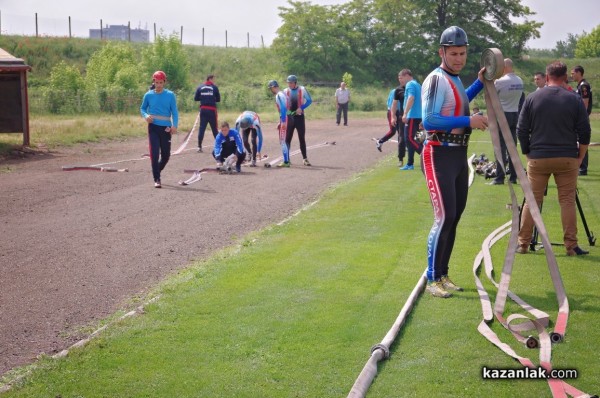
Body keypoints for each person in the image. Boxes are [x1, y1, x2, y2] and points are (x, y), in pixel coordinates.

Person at [421, 26, 488, 298]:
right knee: (444, 216)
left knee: (455, 217)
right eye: (453, 53)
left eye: (462, 53)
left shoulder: (455, 79)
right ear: (442, 52)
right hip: (439, 153)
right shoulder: (436, 79)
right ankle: (432, 278)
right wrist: (468, 121)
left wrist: (480, 83)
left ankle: (443, 273)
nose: (459, 58)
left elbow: (460, 102)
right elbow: (430, 120)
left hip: (458, 155)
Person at [516, 61, 591, 256]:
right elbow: (585, 132)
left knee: (532, 200)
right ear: (565, 77)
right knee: (567, 201)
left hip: (538, 157)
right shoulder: (574, 99)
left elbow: (521, 129)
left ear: (547, 77)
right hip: (566, 157)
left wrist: (527, 153)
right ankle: (571, 245)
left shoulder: (532, 98)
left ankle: (523, 243)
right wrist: (580, 156)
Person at [140, 71, 179, 188]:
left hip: (166, 128)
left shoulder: (170, 95)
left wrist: (175, 125)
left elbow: (175, 112)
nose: (158, 85)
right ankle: (157, 178)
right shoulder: (148, 95)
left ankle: (156, 169)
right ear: (153, 82)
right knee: (155, 153)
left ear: (164, 82)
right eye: (156, 82)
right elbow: (142, 109)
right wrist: (146, 116)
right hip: (153, 127)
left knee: (166, 156)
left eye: (161, 83)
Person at [488, 58, 524, 185]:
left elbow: (491, 93)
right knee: (512, 148)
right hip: (515, 114)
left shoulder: (501, 81)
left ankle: (499, 177)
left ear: (504, 67)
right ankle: (513, 177)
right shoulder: (519, 80)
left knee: (500, 147)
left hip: (503, 115)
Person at [374, 76, 405, 167]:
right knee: (393, 131)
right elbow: (391, 104)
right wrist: (393, 115)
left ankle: (401, 152)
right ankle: (380, 141)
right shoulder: (395, 91)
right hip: (392, 112)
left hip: (400, 112)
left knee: (401, 133)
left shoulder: (404, 91)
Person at [283, 75, 313, 166]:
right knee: (287, 139)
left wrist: (301, 108)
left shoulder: (302, 89)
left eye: (291, 83)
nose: (289, 84)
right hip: (290, 118)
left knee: (301, 138)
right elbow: (283, 105)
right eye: (288, 83)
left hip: (299, 117)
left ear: (295, 82)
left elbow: (309, 100)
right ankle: (287, 159)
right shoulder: (285, 91)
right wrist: (283, 117)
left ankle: (305, 158)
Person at [398, 69, 422, 171]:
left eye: (401, 78)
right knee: (414, 140)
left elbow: (411, 98)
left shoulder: (410, 85)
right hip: (418, 116)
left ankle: (425, 154)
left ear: (407, 75)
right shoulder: (418, 84)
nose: (400, 81)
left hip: (412, 116)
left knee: (409, 138)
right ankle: (410, 163)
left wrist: (405, 113)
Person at [571, 65, 593, 176]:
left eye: (573, 73)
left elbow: (585, 103)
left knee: (582, 141)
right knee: (579, 141)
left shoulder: (584, 86)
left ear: (579, 73)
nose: (571, 75)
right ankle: (580, 166)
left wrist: (580, 118)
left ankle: (583, 168)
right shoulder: (579, 86)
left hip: (581, 118)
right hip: (579, 118)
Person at [194, 74, 220, 152]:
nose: (214, 81)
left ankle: (199, 146)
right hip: (212, 111)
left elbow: (196, 98)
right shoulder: (214, 88)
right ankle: (220, 145)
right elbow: (218, 99)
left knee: (202, 128)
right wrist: (211, 98)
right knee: (214, 129)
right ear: (210, 79)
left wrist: (203, 98)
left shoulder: (200, 87)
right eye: (213, 79)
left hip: (203, 110)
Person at [268, 80, 291, 167]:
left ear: (273, 87)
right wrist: (281, 121)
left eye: (271, 88)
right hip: (287, 117)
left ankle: (286, 162)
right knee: (284, 140)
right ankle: (286, 161)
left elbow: (283, 108)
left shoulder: (279, 95)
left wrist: (284, 121)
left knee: (282, 140)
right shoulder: (283, 93)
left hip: (286, 118)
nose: (271, 90)